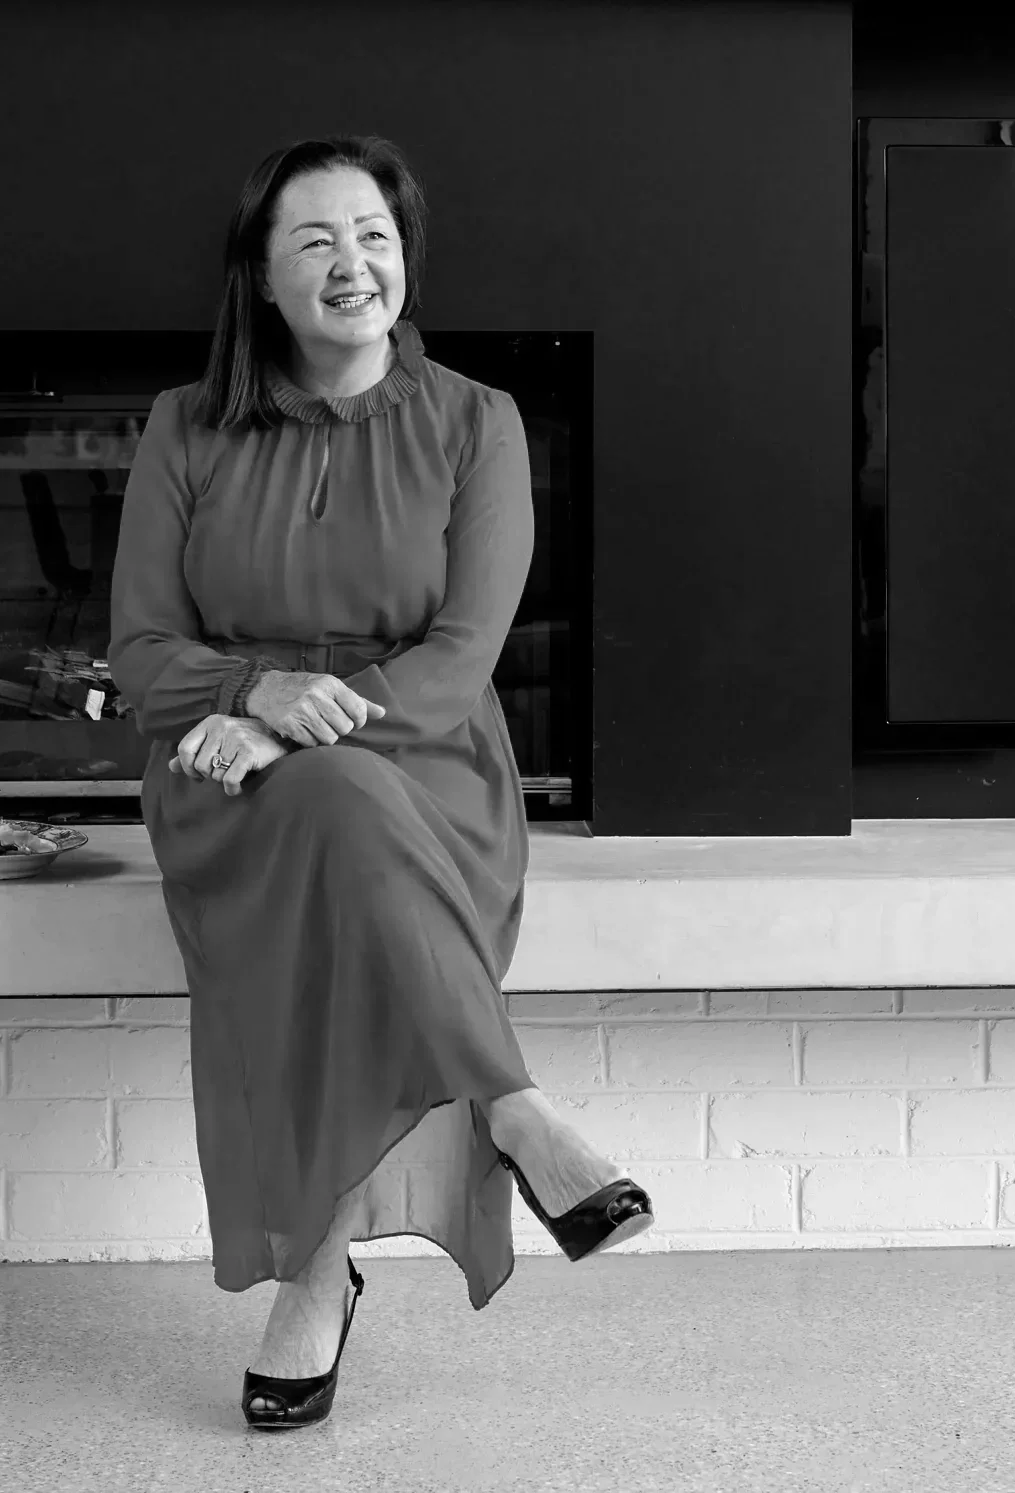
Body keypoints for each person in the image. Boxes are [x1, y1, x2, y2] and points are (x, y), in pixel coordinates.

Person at [107, 134, 654, 1431]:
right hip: (222, 775)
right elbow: (138, 652)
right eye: (317, 242)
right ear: (262, 276)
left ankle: (313, 1279)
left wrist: (293, 720)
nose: (355, 265)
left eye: (376, 237)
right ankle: (513, 1109)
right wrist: (250, 695)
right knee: (324, 814)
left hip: (425, 764)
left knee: (344, 812)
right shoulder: (187, 426)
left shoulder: (478, 423)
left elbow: (463, 660)